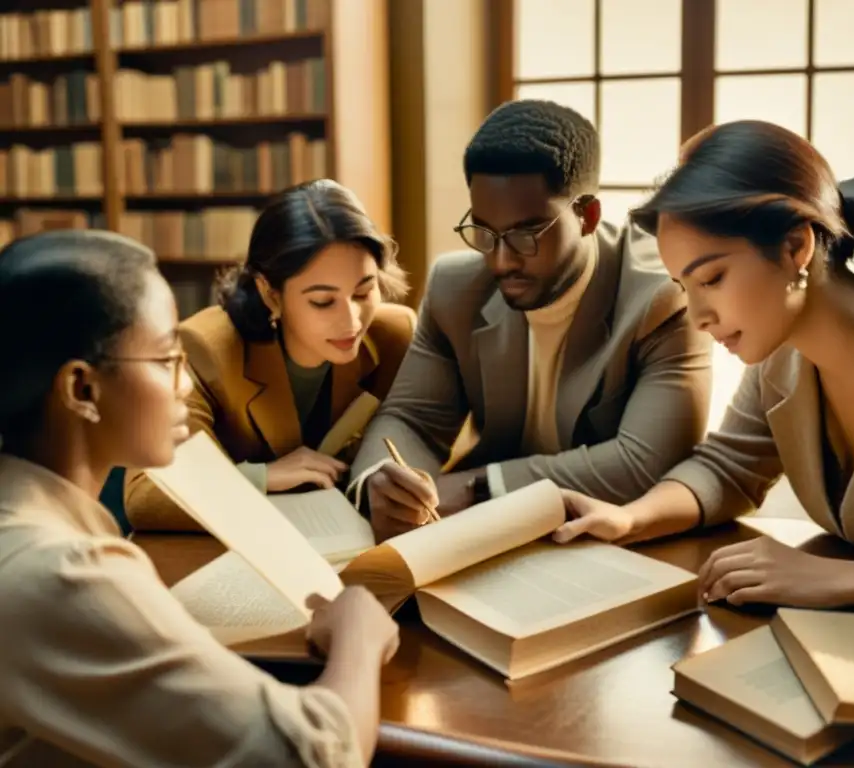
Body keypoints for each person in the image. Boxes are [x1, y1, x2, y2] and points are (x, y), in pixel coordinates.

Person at [551, 119, 854, 627]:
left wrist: (836, 579)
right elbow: (728, 466)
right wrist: (630, 518)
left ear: (796, 247)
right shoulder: (782, 350)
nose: (696, 315)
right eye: (683, 286)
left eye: (712, 278)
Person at [0, 229, 399, 766]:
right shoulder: (61, 573)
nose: (185, 386)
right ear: (82, 390)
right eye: (167, 361)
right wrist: (359, 636)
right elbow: (312, 756)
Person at [349, 99, 712, 541]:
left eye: (525, 235)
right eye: (483, 232)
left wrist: (478, 488)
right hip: (488, 541)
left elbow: (643, 464)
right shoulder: (455, 288)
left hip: (618, 541)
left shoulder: (664, 294)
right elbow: (411, 418)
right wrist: (382, 481)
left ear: (587, 216)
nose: (500, 261)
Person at [125, 180, 416, 531]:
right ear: (270, 293)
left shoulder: (394, 336)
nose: (352, 321)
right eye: (322, 301)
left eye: (364, 292)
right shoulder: (205, 348)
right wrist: (260, 478)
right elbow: (146, 494)